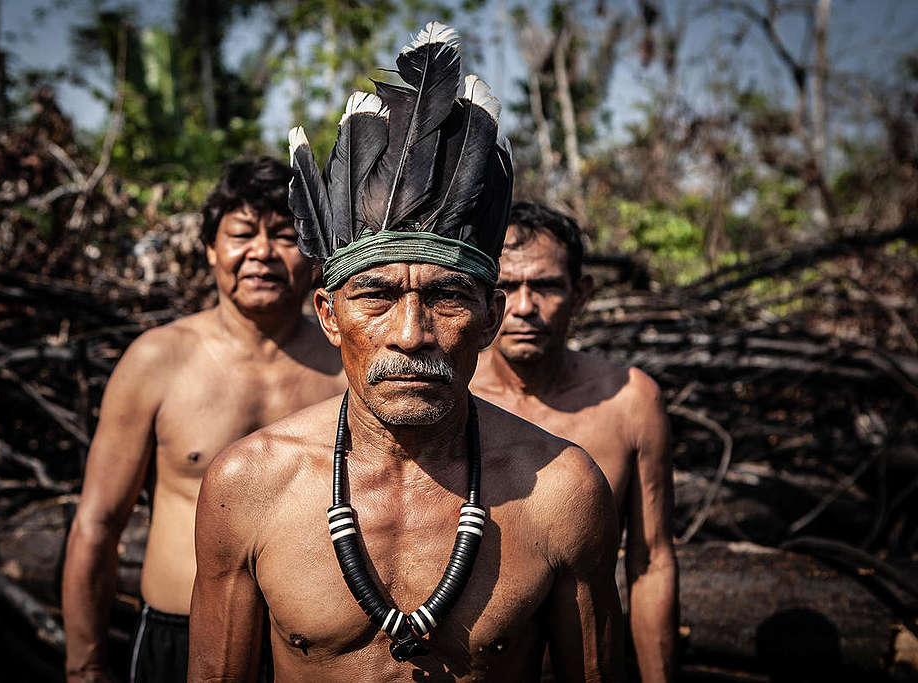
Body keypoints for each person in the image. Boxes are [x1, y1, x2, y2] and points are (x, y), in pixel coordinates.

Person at [189, 23, 624, 682]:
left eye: (448, 297)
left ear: (491, 318)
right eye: (377, 296)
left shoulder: (561, 491)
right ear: (329, 315)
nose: (412, 333)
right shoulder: (249, 485)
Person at [61, 157, 347, 683]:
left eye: (284, 236)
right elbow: (97, 524)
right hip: (177, 634)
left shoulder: (348, 365)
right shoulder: (157, 360)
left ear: (313, 254)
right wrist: (84, 667)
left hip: (312, 646)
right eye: (241, 234)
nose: (261, 252)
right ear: (212, 249)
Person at [470, 201, 678, 682]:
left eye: (544, 286)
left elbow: (653, 561)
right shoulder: (450, 399)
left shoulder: (629, 400)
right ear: (484, 295)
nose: (524, 308)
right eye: (506, 286)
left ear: (580, 293)